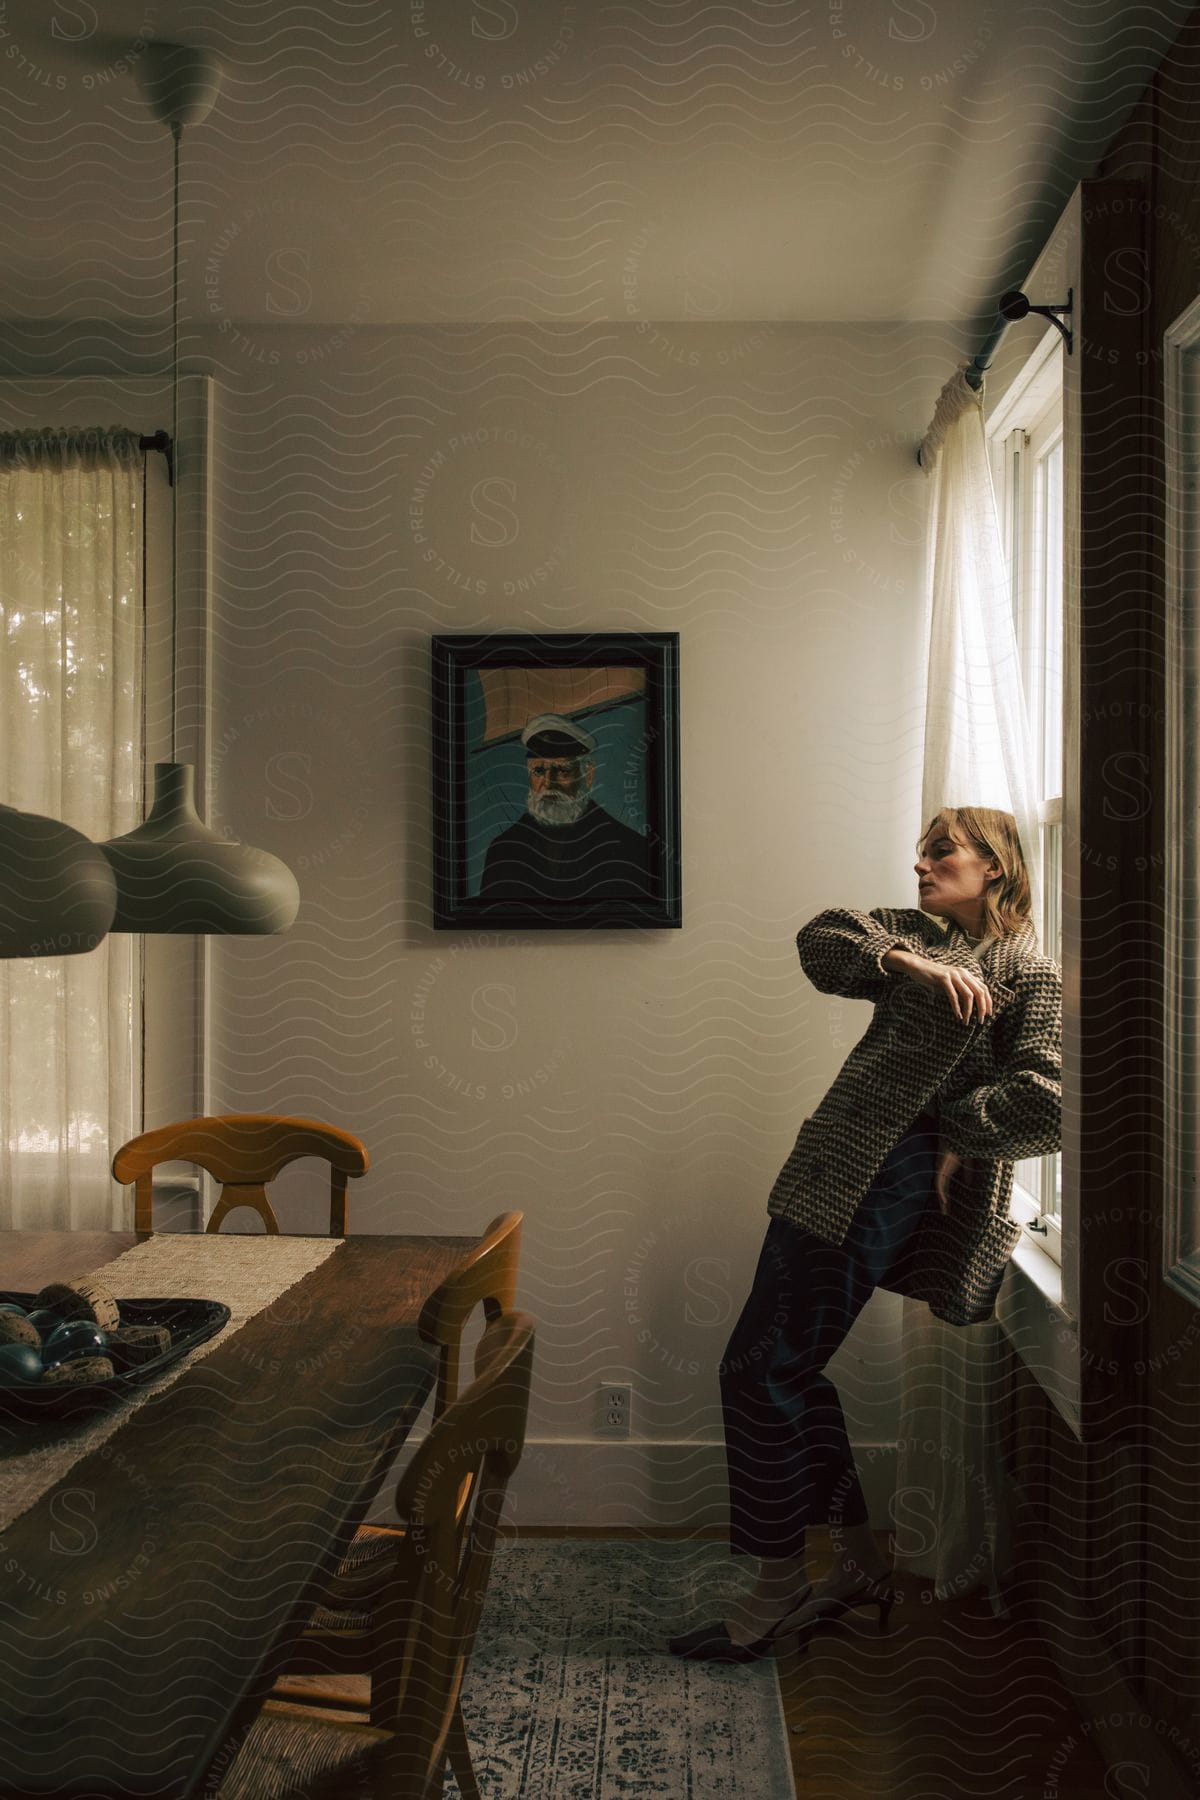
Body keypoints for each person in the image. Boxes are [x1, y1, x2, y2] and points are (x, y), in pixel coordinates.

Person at [668, 805, 1062, 1663]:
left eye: (942, 853)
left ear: (994, 864)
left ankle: (777, 1588)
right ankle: (854, 1562)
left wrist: (954, 1131)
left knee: (759, 1368)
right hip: (829, 1170)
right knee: (786, 1371)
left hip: (892, 1184)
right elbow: (822, 938)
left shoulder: (1031, 974)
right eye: (920, 853)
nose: (922, 867)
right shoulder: (916, 939)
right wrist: (906, 962)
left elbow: (1052, 1094)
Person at [477, 713, 652, 902]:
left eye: (562, 770)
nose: (548, 783)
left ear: (588, 775)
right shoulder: (504, 851)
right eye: (538, 771)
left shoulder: (626, 848)